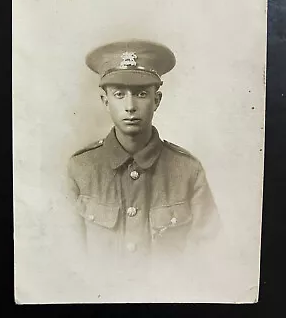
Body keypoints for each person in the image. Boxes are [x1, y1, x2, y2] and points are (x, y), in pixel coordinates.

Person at [67, 40, 220, 289]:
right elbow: (66, 263)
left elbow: (209, 260)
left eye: (141, 94)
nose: (130, 106)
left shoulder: (188, 172)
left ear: (157, 100)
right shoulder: (80, 170)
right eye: (119, 94)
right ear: (105, 101)